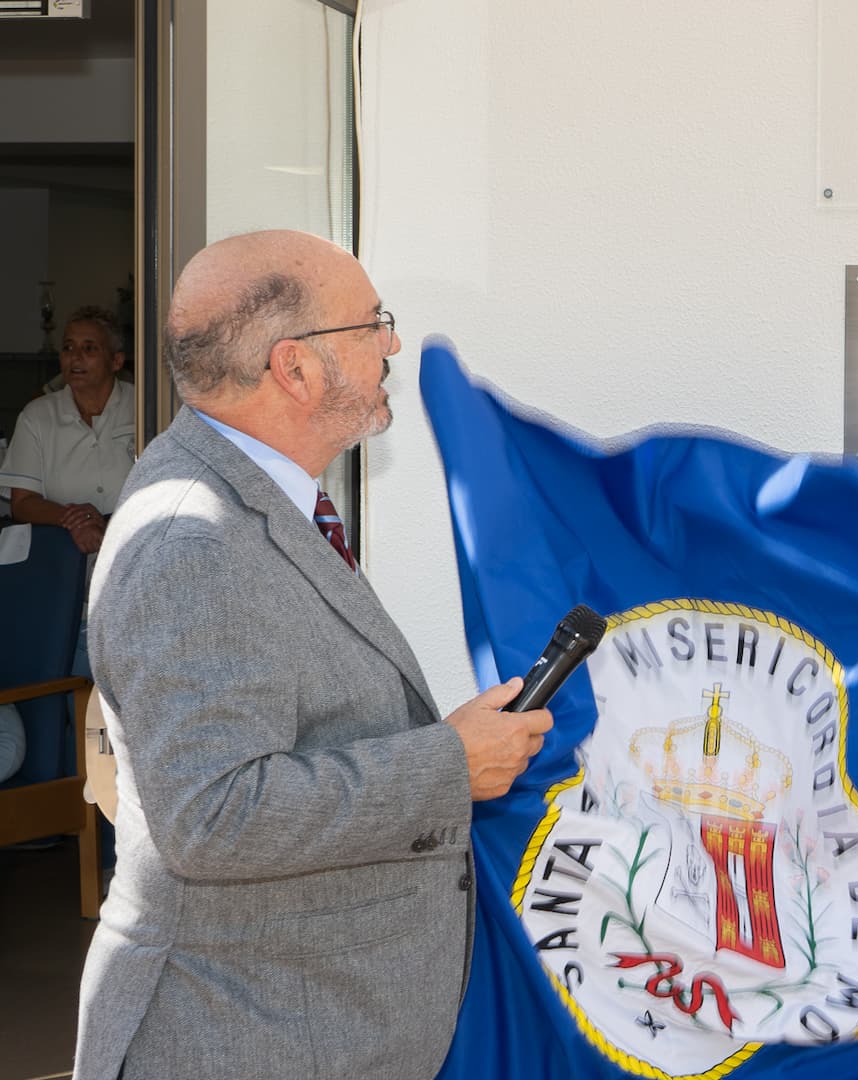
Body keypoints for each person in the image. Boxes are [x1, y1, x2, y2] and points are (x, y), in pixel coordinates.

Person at [72, 230, 555, 1080]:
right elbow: (212, 816)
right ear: (293, 368)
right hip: (237, 1038)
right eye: (373, 325)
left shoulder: (256, 499)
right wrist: (447, 763)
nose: (393, 344)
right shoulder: (194, 538)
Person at [0, 306, 136, 555]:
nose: (75, 357)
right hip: (62, 558)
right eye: (68, 348)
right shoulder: (37, 416)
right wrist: (76, 520)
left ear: (116, 360)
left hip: (136, 551)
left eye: (89, 348)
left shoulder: (143, 407)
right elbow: (22, 503)